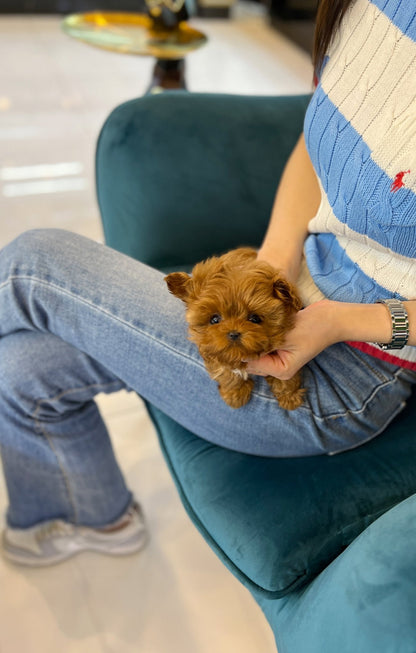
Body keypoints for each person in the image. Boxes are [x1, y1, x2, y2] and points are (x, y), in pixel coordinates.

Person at [0, 0, 415, 566]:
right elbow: (319, 142)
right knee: (21, 368)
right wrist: (274, 264)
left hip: (360, 364)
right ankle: (94, 514)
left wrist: (342, 320)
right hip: (293, 289)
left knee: (33, 263)